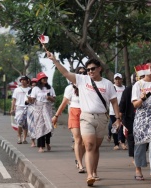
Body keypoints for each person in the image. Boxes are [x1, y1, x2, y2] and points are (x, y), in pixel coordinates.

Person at [47, 52, 121, 186]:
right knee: (89, 145)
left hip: (102, 118)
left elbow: (114, 102)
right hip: (86, 117)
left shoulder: (108, 84)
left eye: (92, 69)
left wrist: (117, 118)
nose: (90, 71)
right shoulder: (82, 79)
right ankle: (89, 175)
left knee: (96, 147)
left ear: (99, 68)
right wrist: (55, 61)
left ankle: (94, 171)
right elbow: (65, 73)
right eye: (88, 70)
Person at [52, 67, 87, 173]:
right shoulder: (69, 88)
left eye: (84, 73)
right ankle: (80, 164)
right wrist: (56, 116)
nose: (82, 74)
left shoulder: (89, 86)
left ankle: (78, 158)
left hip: (86, 114)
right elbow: (63, 103)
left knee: (85, 142)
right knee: (78, 140)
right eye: (79, 73)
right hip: (74, 113)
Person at [119, 73, 142, 179]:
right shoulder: (128, 90)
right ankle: (135, 157)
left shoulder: (146, 90)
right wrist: (119, 119)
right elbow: (122, 106)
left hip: (143, 119)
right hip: (129, 119)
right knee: (132, 139)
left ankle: (139, 156)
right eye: (138, 78)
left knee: (143, 141)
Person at [30, 72, 56, 153]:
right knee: (40, 127)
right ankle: (41, 146)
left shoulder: (50, 88)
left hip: (48, 109)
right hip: (38, 109)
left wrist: (49, 98)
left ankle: (48, 143)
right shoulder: (36, 89)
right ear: (39, 80)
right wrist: (29, 100)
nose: (44, 79)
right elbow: (33, 100)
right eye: (42, 78)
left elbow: (54, 99)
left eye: (45, 78)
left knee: (48, 126)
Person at [10, 76, 31, 144]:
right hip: (19, 108)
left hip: (28, 107)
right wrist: (12, 109)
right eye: (21, 80)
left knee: (26, 124)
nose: (22, 81)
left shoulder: (30, 89)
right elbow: (14, 100)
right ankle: (19, 138)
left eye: (24, 80)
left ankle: (24, 139)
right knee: (19, 123)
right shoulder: (17, 90)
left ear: (27, 81)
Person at [108, 73, 126, 150]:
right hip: (113, 111)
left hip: (122, 111)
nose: (117, 81)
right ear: (114, 80)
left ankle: (122, 142)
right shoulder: (111, 87)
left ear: (122, 79)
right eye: (116, 79)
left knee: (122, 126)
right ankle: (116, 144)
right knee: (115, 127)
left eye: (119, 79)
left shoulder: (125, 88)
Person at [27, 77, 38, 147]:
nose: (33, 86)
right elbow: (26, 101)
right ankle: (33, 142)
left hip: (39, 110)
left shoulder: (41, 91)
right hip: (31, 110)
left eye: (35, 85)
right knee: (31, 126)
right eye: (32, 85)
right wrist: (29, 99)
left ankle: (43, 142)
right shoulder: (28, 92)